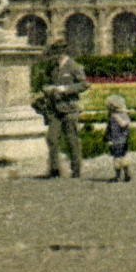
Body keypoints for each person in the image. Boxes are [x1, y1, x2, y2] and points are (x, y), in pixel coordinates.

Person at [37, 42, 87, 178]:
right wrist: (47, 89)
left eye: (58, 53)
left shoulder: (73, 66)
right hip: (54, 109)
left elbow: (84, 84)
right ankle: (54, 169)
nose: (55, 56)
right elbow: (46, 82)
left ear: (64, 53)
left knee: (72, 140)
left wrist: (66, 89)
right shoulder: (53, 67)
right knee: (52, 138)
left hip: (69, 108)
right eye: (54, 53)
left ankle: (76, 170)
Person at [104, 94, 133, 182]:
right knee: (123, 156)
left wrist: (108, 138)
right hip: (124, 140)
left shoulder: (113, 117)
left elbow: (111, 129)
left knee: (116, 158)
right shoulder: (124, 115)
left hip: (116, 140)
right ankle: (127, 173)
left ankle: (118, 176)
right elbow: (125, 126)